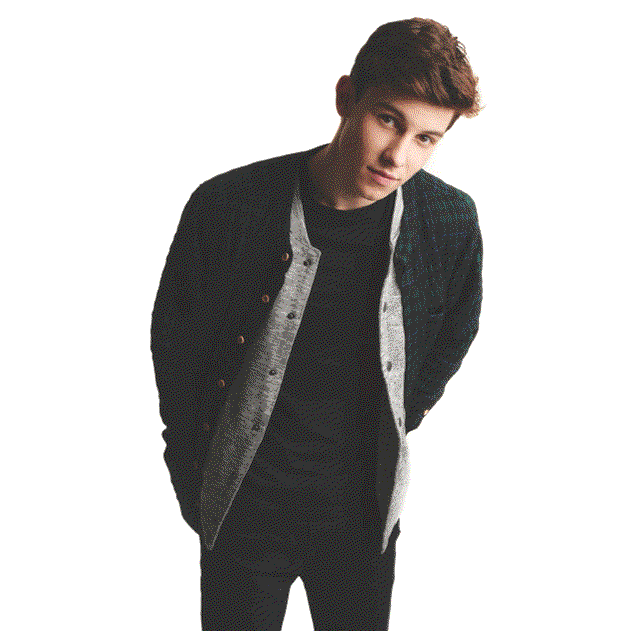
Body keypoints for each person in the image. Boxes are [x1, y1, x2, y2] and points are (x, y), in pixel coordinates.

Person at [150, 16, 483, 631]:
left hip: (362, 515)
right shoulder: (229, 205)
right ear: (346, 97)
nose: (398, 155)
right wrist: (191, 468)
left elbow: (454, 334)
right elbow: (176, 346)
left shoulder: (448, 220)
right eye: (388, 120)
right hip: (244, 507)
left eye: (425, 138)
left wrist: (402, 413)